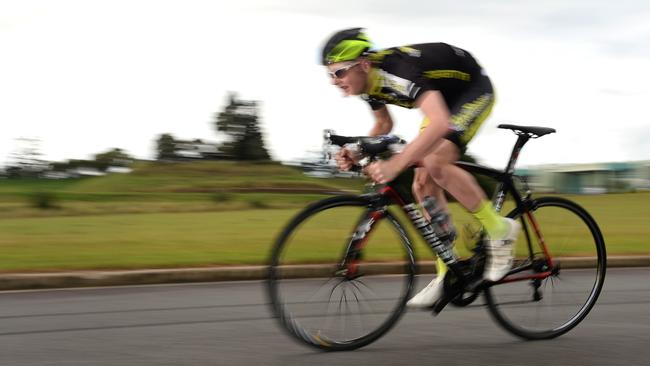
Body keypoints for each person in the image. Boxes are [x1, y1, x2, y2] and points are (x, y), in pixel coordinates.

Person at [322, 28, 520, 308]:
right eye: (330, 74)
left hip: (472, 90)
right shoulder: (369, 85)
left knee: (435, 160)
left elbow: (439, 123)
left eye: (339, 72)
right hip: (442, 101)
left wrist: (395, 165)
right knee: (422, 183)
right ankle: (446, 273)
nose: (334, 81)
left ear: (363, 64)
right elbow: (383, 126)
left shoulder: (397, 72)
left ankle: (500, 230)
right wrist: (357, 151)